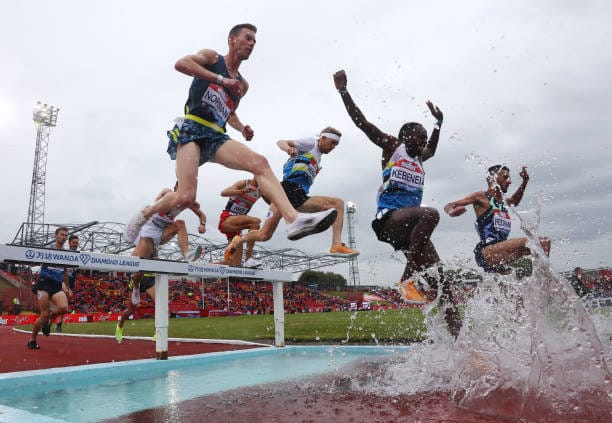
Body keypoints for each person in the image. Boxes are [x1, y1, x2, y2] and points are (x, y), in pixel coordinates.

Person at [123, 23, 337, 246]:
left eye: (255, 40)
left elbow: (228, 112)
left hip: (216, 136)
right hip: (193, 129)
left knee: (260, 163)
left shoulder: (242, 85)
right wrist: (220, 80)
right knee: (186, 197)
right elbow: (181, 64)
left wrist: (241, 126)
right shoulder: (212, 58)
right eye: (248, 38)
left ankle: (293, 219)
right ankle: (146, 213)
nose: (252, 43)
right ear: (232, 40)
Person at [333, 69, 461, 338]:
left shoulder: (420, 157)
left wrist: (438, 124)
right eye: (420, 136)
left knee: (444, 283)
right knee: (431, 214)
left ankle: (458, 343)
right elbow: (362, 123)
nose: (424, 141)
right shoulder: (392, 146)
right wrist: (344, 91)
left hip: (412, 232)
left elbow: (433, 149)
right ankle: (406, 279)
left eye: (426, 138)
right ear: (405, 137)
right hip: (389, 220)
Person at [224, 128, 360, 261]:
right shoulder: (311, 143)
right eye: (333, 143)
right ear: (323, 138)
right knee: (264, 235)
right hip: (286, 190)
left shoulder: (318, 158)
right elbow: (281, 142)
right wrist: (288, 148)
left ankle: (238, 240)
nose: (334, 147)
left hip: (297, 195)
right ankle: (335, 245)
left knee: (264, 234)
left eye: (336, 145)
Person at [115, 184, 207, 343]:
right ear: (177, 187)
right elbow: (156, 203)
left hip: (159, 238)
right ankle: (121, 323)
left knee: (180, 223)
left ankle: (187, 255)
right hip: (148, 234)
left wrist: (202, 224)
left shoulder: (188, 202)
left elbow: (202, 214)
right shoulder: (167, 193)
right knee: (131, 307)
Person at [444, 165, 551, 274]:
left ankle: (538, 282)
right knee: (542, 242)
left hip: (501, 252)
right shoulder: (481, 196)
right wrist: (452, 212)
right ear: (492, 179)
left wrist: (525, 181)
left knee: (512, 284)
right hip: (488, 251)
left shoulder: (503, 202)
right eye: (505, 177)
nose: (509, 182)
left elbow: (515, 201)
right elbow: (449, 205)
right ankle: (545, 281)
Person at [27, 227, 72, 349]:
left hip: (57, 285)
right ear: (56, 236)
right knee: (44, 314)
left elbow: (65, 272)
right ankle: (32, 339)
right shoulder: (48, 249)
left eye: (66, 235)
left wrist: (67, 287)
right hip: (44, 284)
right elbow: (33, 261)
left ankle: (49, 322)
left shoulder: (66, 254)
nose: (64, 237)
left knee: (63, 308)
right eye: (62, 235)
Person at [218, 178, 264, 267]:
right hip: (227, 219)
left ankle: (205, 266)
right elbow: (223, 193)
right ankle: (248, 258)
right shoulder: (244, 183)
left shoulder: (261, 191)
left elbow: (273, 199)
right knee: (256, 222)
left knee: (234, 264)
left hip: (237, 228)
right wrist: (242, 191)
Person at [55, 234, 79, 333]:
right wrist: (65, 284)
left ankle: (57, 322)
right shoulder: (65, 253)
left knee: (65, 305)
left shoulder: (78, 254)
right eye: (74, 243)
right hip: (62, 278)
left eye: (77, 243)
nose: (75, 244)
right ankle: (57, 322)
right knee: (63, 304)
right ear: (69, 243)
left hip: (71, 279)